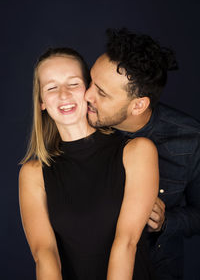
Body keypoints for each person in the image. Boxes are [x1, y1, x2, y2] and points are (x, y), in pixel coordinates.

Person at [19, 47, 159, 280]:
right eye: (51, 87)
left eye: (73, 83)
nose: (63, 95)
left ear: (89, 89)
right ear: (42, 102)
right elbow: (44, 253)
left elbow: (126, 243)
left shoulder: (137, 152)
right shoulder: (33, 174)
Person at [85, 28, 200, 280]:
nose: (86, 95)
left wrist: (166, 222)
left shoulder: (190, 139)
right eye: (90, 81)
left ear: (138, 105)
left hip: (158, 270)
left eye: (101, 92)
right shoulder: (79, 124)